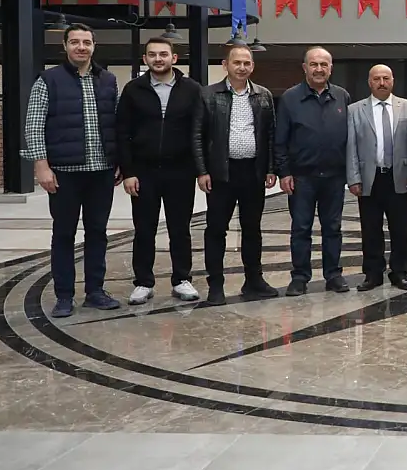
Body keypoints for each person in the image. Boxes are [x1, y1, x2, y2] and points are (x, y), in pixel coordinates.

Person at [23, 23, 122, 318]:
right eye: (75, 42)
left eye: (86, 42)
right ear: (65, 46)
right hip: (64, 172)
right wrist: (41, 165)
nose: (81, 47)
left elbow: (116, 123)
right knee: (64, 233)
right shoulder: (48, 80)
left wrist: (119, 161)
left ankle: (95, 291)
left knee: (98, 232)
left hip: (101, 171)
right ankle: (64, 296)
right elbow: (33, 125)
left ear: (94, 46)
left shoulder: (108, 80)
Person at [116, 36, 203, 305]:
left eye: (163, 54)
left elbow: (200, 131)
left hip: (181, 171)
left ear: (174, 58)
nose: (158, 59)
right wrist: (128, 171)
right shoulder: (133, 89)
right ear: (145, 59)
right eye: (152, 54)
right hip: (144, 172)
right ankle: (143, 282)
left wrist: (199, 169)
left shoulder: (192, 89)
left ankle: (182, 279)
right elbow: (122, 132)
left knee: (180, 228)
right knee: (144, 229)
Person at [193, 43, 279, 306]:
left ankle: (254, 280)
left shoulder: (263, 95)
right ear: (225, 65)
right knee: (216, 229)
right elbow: (197, 135)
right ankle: (216, 285)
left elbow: (271, 135)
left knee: (252, 228)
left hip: (253, 171)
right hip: (221, 172)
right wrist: (202, 171)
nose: (242, 67)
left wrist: (271, 168)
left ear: (252, 66)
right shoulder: (208, 94)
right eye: (237, 62)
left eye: (247, 63)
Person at [275, 46, 352, 296]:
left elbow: (350, 138)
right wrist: (284, 172)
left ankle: (334, 275)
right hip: (302, 178)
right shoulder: (289, 98)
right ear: (304, 67)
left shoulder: (342, 96)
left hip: (334, 177)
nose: (319, 69)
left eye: (324, 65)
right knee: (301, 228)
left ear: (331, 68)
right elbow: (280, 139)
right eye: (314, 64)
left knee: (333, 228)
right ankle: (300, 277)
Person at [347, 64, 407, 292]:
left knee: (400, 228)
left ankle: (400, 272)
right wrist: (353, 178)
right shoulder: (355, 110)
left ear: (393, 81)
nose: (382, 83)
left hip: (400, 176)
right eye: (377, 79)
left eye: (386, 78)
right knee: (370, 228)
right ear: (369, 82)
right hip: (370, 177)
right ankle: (373, 273)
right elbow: (351, 147)